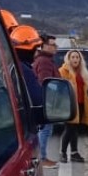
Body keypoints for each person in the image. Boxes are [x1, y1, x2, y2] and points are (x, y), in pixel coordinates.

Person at [33, 33, 61, 168]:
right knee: (45, 130)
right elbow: (45, 82)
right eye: (52, 44)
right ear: (43, 46)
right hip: (47, 101)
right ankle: (42, 158)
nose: (55, 47)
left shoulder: (46, 60)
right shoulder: (44, 61)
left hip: (47, 101)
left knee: (46, 130)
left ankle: (41, 156)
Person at [59, 50, 88, 163]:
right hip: (70, 104)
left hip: (81, 103)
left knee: (75, 129)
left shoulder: (84, 72)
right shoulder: (63, 71)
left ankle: (74, 152)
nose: (75, 59)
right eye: (72, 57)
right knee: (69, 128)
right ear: (68, 59)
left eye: (77, 57)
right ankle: (62, 152)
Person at [10, 25, 44, 125]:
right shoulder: (24, 71)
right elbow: (37, 102)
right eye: (36, 49)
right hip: (25, 126)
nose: (37, 53)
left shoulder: (10, 66)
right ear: (30, 50)